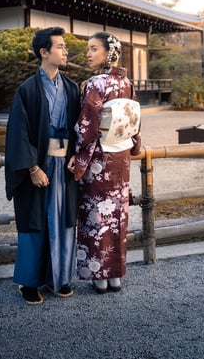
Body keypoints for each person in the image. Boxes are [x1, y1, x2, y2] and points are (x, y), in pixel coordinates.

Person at [5, 27, 80, 305]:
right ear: (44, 52)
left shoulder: (72, 88)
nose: (65, 51)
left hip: (64, 166)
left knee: (62, 221)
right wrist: (32, 169)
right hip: (39, 166)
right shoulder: (27, 90)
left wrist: (77, 154)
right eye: (60, 46)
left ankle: (57, 278)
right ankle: (29, 282)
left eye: (64, 46)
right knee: (35, 223)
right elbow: (18, 133)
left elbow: (79, 129)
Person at [67, 31, 141, 294]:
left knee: (96, 216)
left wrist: (78, 154)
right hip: (120, 158)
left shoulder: (95, 84)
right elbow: (134, 123)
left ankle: (99, 275)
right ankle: (116, 275)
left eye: (94, 48)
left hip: (99, 160)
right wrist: (135, 145)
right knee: (117, 215)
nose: (88, 53)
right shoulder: (128, 83)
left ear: (109, 52)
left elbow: (86, 125)